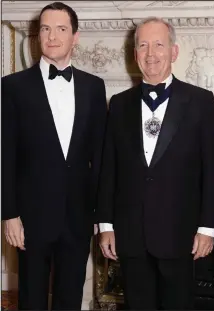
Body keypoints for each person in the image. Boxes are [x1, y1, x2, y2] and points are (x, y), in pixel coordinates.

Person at [96, 17, 214, 310]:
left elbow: (212, 171)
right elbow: (108, 169)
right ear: (135, 53)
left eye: (158, 45)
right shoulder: (118, 103)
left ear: (174, 52)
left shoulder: (200, 101)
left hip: (181, 235)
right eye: (142, 45)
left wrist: (208, 228)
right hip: (129, 236)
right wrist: (106, 224)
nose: (150, 54)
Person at [2, 2, 107, 309]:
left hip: (78, 215)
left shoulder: (93, 87)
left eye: (61, 29)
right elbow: (5, 154)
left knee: (70, 298)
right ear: (38, 36)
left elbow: (100, 156)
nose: (51, 36)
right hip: (30, 217)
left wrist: (102, 216)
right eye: (45, 28)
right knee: (31, 298)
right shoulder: (12, 87)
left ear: (75, 37)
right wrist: (9, 214)